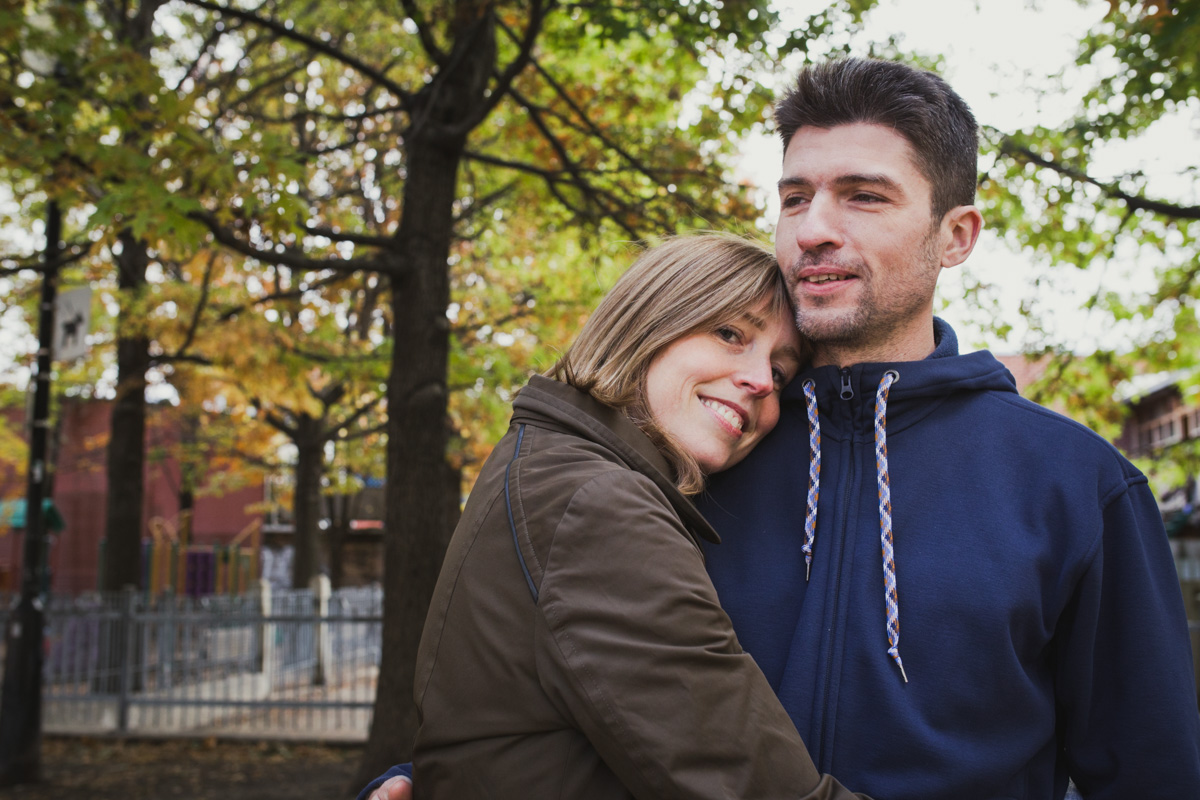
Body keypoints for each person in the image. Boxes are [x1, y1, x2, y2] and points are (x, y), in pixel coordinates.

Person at [366, 57, 1200, 800]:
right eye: (795, 197)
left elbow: (1151, 773)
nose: (813, 229)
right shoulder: (695, 449)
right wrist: (419, 777)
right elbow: (547, 678)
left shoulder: (1076, 484)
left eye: (864, 196)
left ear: (956, 236)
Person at [394, 233, 869, 799]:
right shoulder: (596, 503)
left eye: (781, 373)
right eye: (729, 333)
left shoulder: (551, 463)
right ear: (649, 324)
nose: (762, 380)